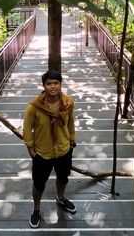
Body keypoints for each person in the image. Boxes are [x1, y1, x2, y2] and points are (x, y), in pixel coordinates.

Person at [23, 69, 77, 228]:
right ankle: (37, 208)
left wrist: (72, 141)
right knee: (39, 183)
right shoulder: (34, 107)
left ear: (60, 84)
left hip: (63, 149)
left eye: (56, 83)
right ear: (44, 86)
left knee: (63, 178)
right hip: (42, 152)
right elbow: (27, 129)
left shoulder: (67, 103)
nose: (52, 86)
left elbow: (71, 122)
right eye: (49, 83)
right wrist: (31, 149)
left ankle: (60, 198)